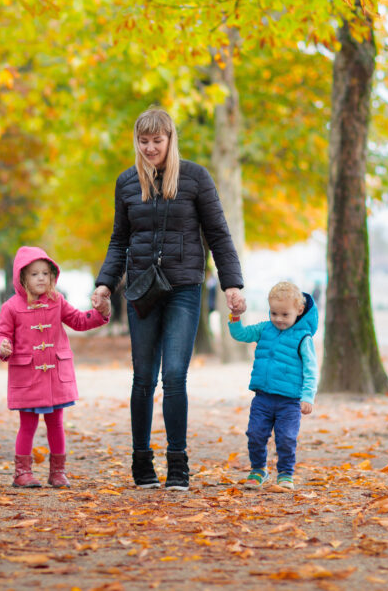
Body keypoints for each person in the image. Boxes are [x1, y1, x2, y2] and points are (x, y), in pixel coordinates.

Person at [91, 106, 246, 491]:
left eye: (156, 141)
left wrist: (232, 284)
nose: (149, 148)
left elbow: (218, 233)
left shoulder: (195, 178)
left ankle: (178, 462)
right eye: (143, 142)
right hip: (142, 291)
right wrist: (105, 284)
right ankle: (141, 461)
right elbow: (119, 240)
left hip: (183, 288)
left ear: (170, 139)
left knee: (174, 374)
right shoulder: (127, 182)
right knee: (143, 377)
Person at [0, 246, 111, 488]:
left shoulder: (57, 301)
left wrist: (99, 314)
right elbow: (2, 334)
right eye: (34, 274)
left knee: (56, 423)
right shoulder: (11, 307)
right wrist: (3, 346)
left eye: (45, 274)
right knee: (27, 424)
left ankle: (58, 472)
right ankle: (22, 472)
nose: (41, 278)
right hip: (27, 375)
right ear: (22, 278)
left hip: (55, 375)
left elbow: (78, 321)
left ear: (53, 277)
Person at [228, 281, 318, 492]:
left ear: (299, 310)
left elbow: (311, 369)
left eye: (284, 314)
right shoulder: (264, 329)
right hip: (263, 398)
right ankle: (258, 469)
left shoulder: (303, 338)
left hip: (289, 401)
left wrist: (308, 397)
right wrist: (235, 316)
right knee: (255, 433)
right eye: (274, 313)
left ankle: (286, 473)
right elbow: (240, 334)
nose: (278, 319)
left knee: (286, 438)